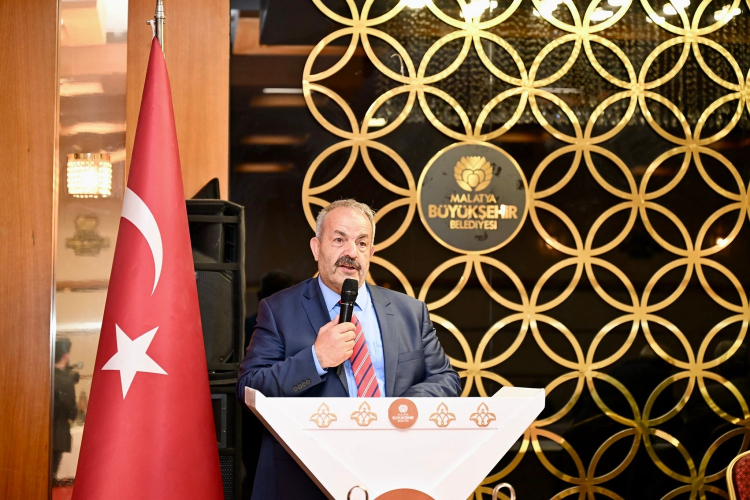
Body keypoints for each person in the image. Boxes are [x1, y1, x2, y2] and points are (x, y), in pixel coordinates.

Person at [236, 199, 461, 500]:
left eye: (361, 243)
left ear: (371, 253)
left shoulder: (410, 311)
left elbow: (446, 379)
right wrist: (316, 359)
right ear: (316, 248)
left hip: (394, 473)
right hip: (307, 479)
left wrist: (401, 409)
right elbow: (249, 388)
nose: (351, 252)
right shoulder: (278, 310)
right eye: (339, 239)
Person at [53, 338, 79, 479]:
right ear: (65, 355)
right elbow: (71, 410)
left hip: (42, 432)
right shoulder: (66, 381)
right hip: (58, 434)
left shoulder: (46, 375)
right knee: (52, 475)